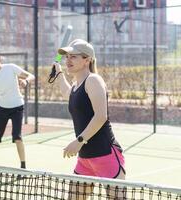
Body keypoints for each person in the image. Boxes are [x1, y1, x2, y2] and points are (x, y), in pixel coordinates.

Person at [53, 39, 126, 199]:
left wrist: (78, 141)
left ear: (87, 60)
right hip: (85, 159)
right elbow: (69, 95)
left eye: (73, 57)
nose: (68, 60)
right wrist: (59, 74)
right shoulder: (76, 85)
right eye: (67, 57)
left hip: (105, 154)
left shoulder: (93, 80)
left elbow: (101, 116)